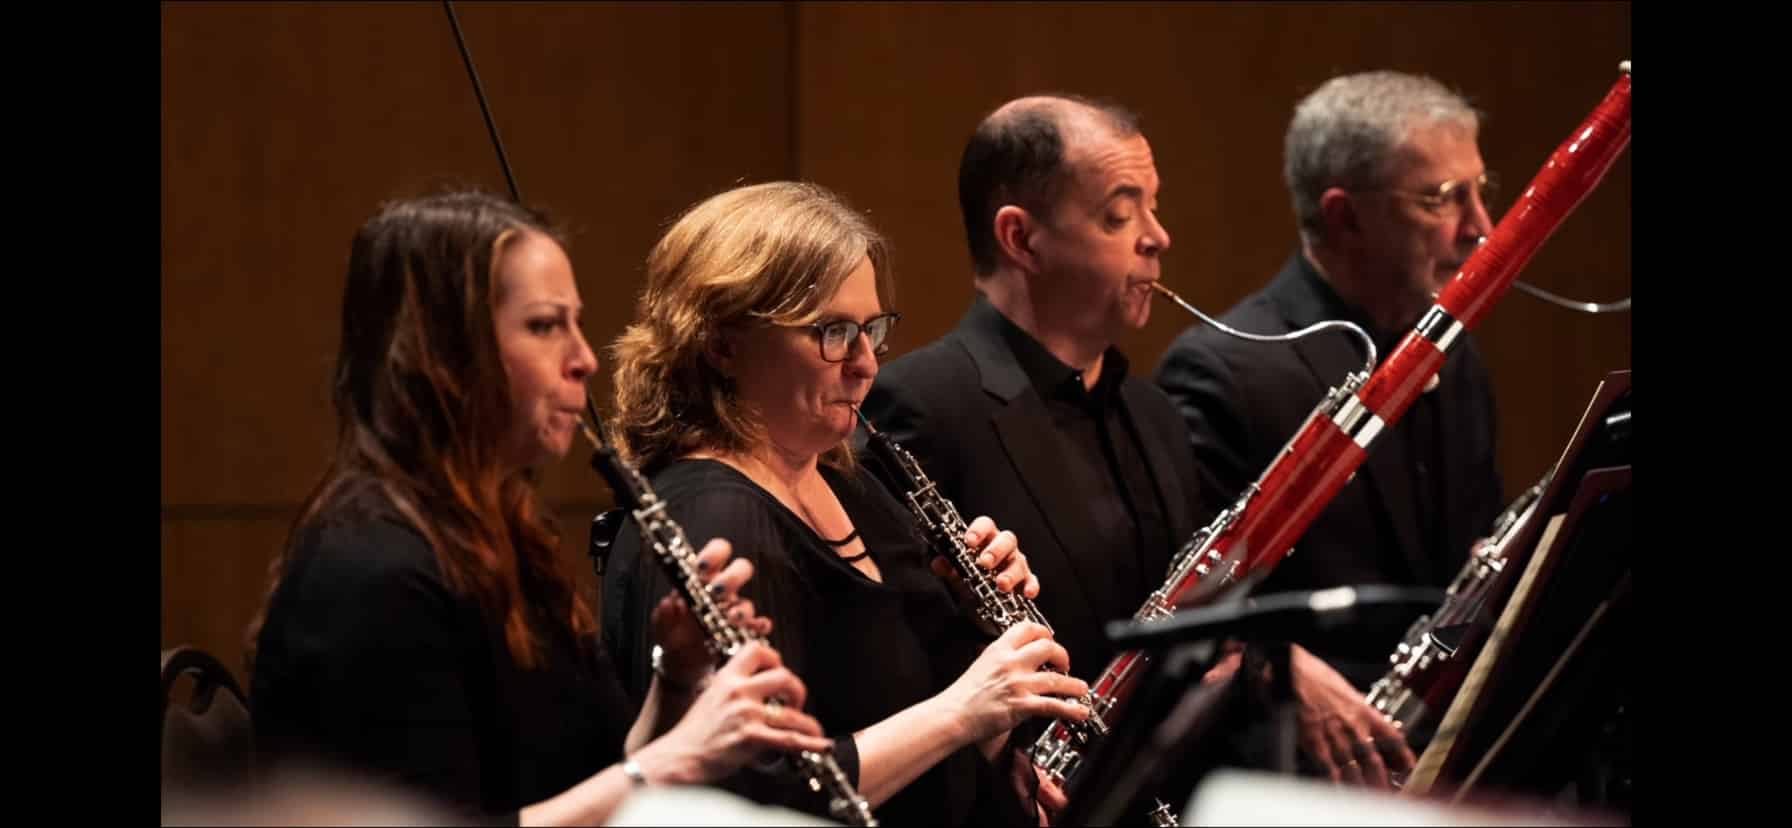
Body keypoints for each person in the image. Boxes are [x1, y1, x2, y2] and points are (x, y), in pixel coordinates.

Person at [861, 94, 1415, 790]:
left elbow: (1191, 639)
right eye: (1120, 214)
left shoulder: (1154, 413)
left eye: (1153, 207)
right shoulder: (919, 407)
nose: (1158, 237)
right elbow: (907, 665)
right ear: (1021, 239)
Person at [246, 191, 835, 826]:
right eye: (544, 326)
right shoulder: (368, 572)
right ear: (443, 352)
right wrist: (670, 765)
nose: (583, 359)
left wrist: (678, 676)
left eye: (574, 323)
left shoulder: (504, 539)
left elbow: (594, 771)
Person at [600, 180, 1091, 826]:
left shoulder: (853, 483)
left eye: (872, 330)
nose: (866, 364)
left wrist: (998, 745)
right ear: (723, 344)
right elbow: (748, 797)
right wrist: (964, 710)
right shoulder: (712, 519)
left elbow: (904, 705)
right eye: (832, 332)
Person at [1154, 71, 1505, 693]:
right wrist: (1283, 674)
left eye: (1480, 191)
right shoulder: (1223, 371)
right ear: (1345, 217)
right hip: (1302, 762)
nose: (1480, 226)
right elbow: (1192, 620)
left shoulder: (1460, 356)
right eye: (1442, 198)